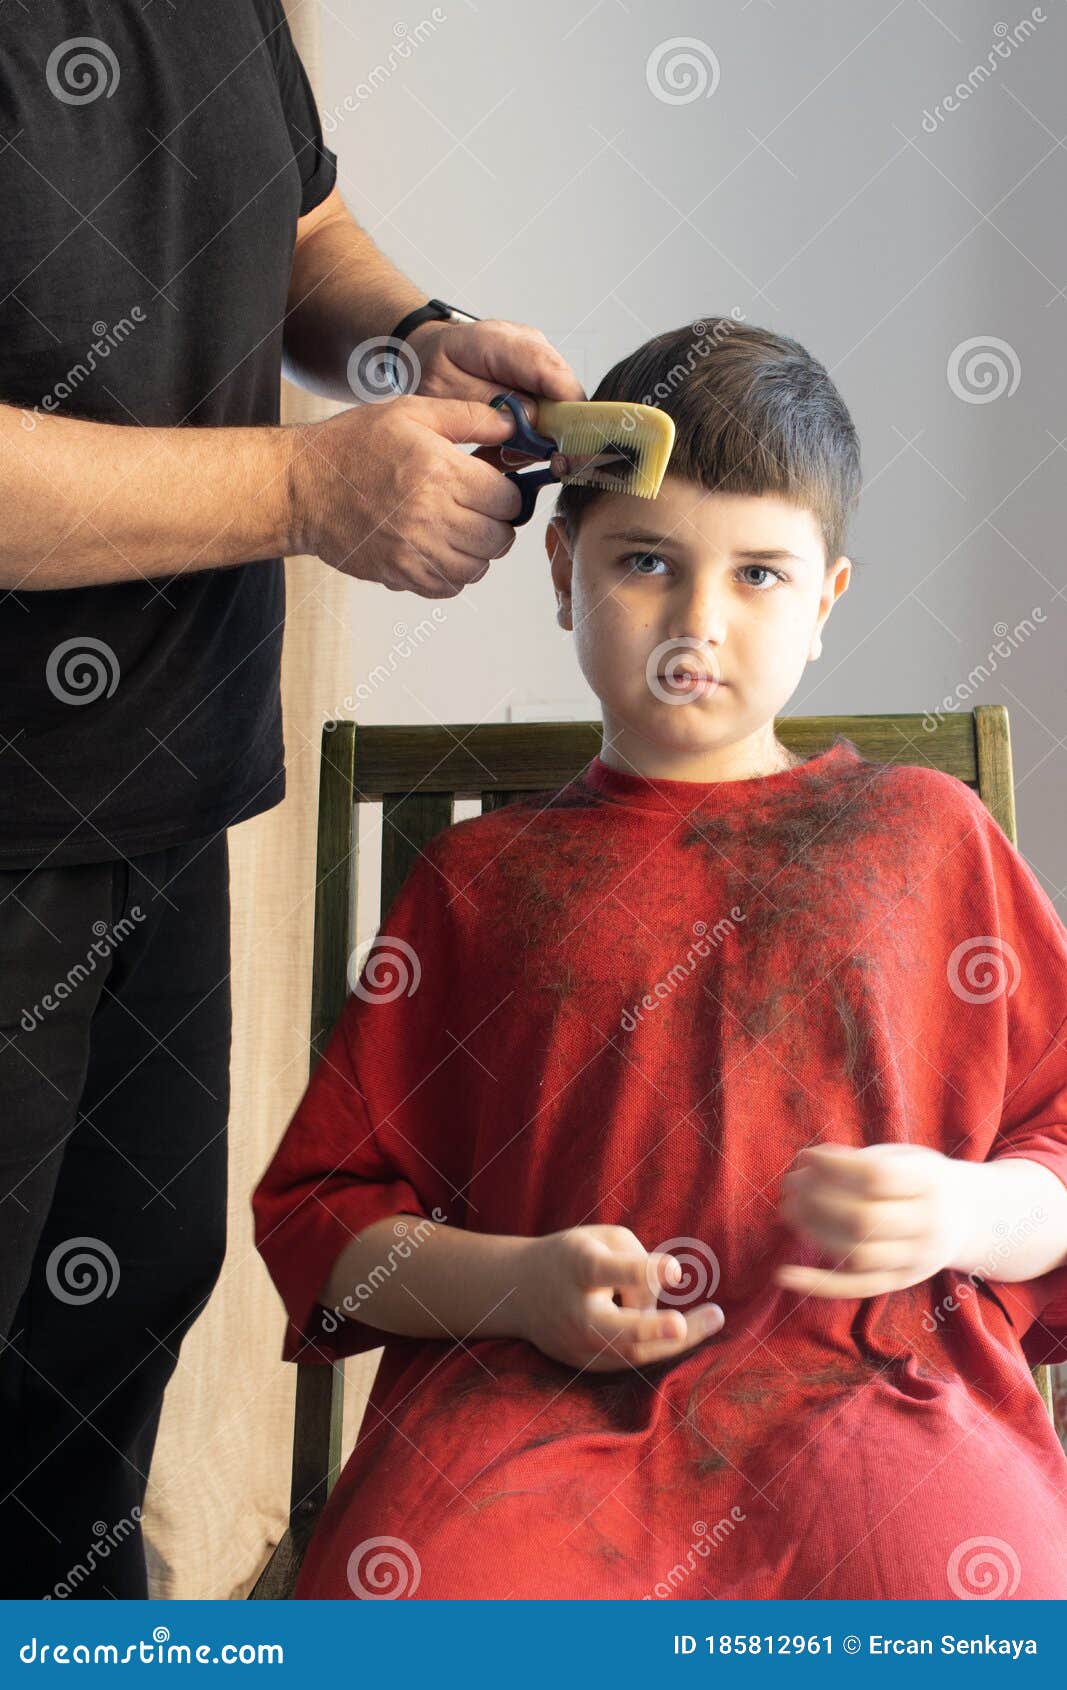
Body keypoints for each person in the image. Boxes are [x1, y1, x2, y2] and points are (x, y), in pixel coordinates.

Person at [253, 319, 1067, 1601]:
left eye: (756, 574)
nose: (699, 617)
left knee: (979, 1603)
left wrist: (971, 1210)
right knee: (402, 1607)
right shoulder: (473, 886)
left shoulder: (926, 837)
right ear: (565, 570)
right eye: (647, 560)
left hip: (877, 1391)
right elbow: (327, 1229)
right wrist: (519, 1284)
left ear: (823, 602)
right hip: (529, 1409)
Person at [0, 1, 583, 1599]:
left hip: (167, 787)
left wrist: (415, 337)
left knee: (105, 1343)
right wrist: (304, 488)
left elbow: (297, 221)